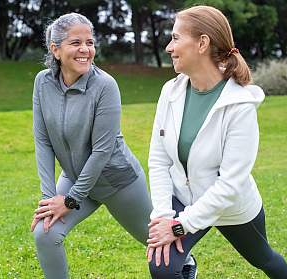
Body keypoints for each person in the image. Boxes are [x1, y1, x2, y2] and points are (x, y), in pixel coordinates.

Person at [29, 12, 197, 279]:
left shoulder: (105, 86)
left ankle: (187, 263)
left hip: (118, 182)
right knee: (45, 232)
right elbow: (42, 140)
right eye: (76, 43)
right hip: (74, 178)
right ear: (55, 49)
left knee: (157, 241)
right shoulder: (42, 83)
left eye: (90, 42)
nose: (85, 49)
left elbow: (102, 151)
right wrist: (51, 199)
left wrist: (70, 200)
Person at [146, 5, 287, 279]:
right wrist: (165, 215)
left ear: (202, 43)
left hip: (230, 208)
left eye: (176, 38)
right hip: (183, 201)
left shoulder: (240, 105)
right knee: (163, 268)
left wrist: (179, 226)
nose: (168, 47)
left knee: (266, 259)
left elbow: (230, 184)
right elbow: (158, 159)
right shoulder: (170, 91)